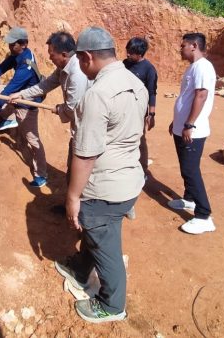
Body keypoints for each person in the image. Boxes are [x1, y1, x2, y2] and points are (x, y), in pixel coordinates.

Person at [53, 26, 148, 323]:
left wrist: (72, 196)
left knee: (104, 243)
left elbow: (86, 153)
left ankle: (112, 304)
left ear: (86, 57)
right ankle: (81, 267)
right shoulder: (136, 83)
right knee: (99, 234)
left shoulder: (98, 94)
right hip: (129, 179)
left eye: (80, 61)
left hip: (106, 186)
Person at [9, 31, 89, 184]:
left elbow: (72, 109)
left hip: (86, 129)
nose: (50, 58)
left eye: (52, 55)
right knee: (73, 171)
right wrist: (21, 95)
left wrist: (60, 109)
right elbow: (46, 84)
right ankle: (69, 205)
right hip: (78, 127)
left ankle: (77, 205)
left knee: (82, 175)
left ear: (64, 54)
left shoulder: (77, 73)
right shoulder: (64, 67)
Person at [0, 27, 48, 188]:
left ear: (23, 44)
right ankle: (10, 118)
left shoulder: (26, 66)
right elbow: (1, 68)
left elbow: (10, 90)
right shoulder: (16, 55)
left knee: (33, 140)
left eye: (12, 44)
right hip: (15, 95)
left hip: (27, 105)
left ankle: (41, 174)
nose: (9, 47)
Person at [167, 32, 217, 234]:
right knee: (185, 166)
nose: (181, 49)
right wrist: (177, 121)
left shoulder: (203, 67)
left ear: (194, 46)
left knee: (190, 169)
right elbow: (187, 97)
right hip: (184, 127)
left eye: (183, 45)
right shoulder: (193, 68)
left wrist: (189, 124)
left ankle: (204, 215)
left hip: (193, 131)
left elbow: (201, 95)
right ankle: (189, 199)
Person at [123, 37, 158, 175]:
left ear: (140, 53)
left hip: (138, 111)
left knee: (139, 139)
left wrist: (151, 114)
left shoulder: (149, 70)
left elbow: (152, 93)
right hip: (122, 109)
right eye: (127, 51)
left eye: (131, 52)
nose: (127, 54)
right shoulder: (125, 64)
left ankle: (142, 170)